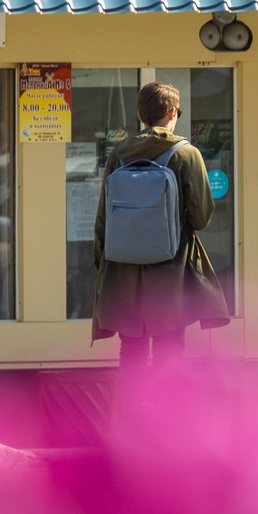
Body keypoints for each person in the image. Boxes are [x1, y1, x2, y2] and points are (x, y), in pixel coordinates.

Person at [92, 81, 228, 368]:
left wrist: (102, 271)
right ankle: (165, 400)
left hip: (124, 271)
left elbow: (104, 219)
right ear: (172, 112)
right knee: (169, 352)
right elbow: (201, 217)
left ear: (141, 115)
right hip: (171, 272)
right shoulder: (186, 154)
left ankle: (131, 400)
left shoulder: (120, 153)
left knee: (131, 352)